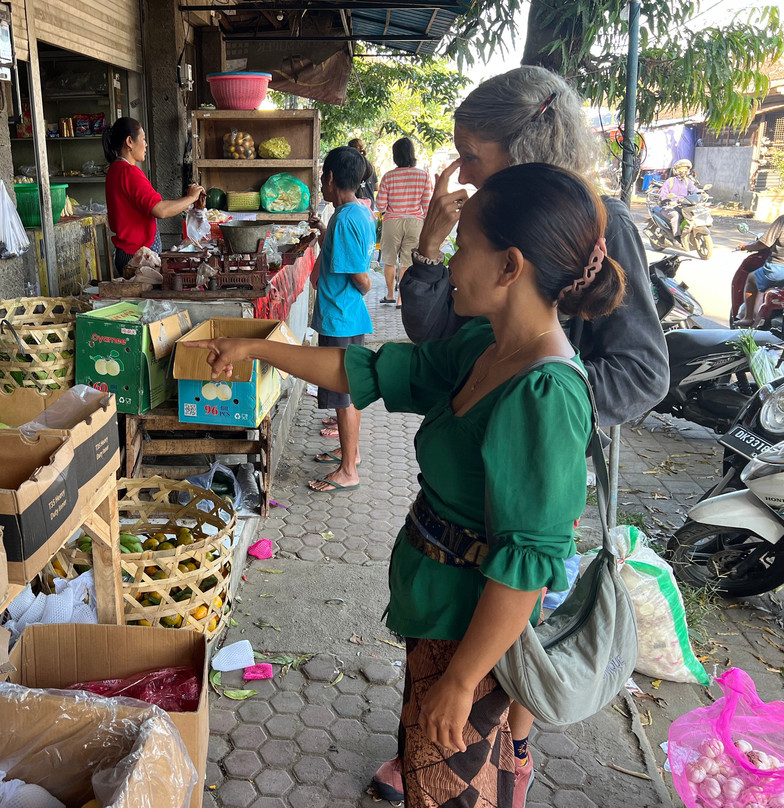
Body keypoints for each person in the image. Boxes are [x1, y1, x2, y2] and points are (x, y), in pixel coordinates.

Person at [191, 162, 626, 808]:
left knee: (449, 793)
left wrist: (463, 678)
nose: (451, 262)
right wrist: (259, 350)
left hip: (471, 639)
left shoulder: (545, 392)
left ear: (510, 267)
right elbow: (364, 368)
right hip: (439, 616)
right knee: (435, 776)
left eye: (464, 248)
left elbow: (529, 565)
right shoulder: (486, 342)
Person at [392, 65, 669, 806]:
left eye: (472, 157)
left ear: (525, 151)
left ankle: (487, 758)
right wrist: (431, 250)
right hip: (469, 490)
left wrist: (536, 404)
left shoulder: (603, 226)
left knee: (505, 640)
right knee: (472, 652)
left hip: (533, 489)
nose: (461, 176)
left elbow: (644, 372)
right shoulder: (488, 235)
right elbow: (433, 336)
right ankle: (460, 747)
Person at [307, 146, 374, 490]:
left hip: (341, 317)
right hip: (345, 316)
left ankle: (348, 470)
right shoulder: (355, 213)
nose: (321, 183)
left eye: (322, 176)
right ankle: (352, 454)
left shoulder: (345, 218)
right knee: (349, 391)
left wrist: (362, 287)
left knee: (344, 395)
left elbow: (360, 277)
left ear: (331, 178)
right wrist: (323, 232)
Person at [103, 117, 204, 273]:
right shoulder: (129, 172)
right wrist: (190, 198)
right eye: (143, 139)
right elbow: (160, 210)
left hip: (127, 253)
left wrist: (188, 202)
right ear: (130, 141)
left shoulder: (115, 169)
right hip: (136, 256)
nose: (146, 145)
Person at [375, 137, 434, 307]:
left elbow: (380, 206)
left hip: (392, 222)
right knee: (407, 263)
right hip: (415, 222)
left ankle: (389, 295)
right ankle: (401, 299)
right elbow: (427, 206)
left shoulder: (388, 177)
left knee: (389, 260)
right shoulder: (423, 176)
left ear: (395, 155)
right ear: (412, 154)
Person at [735, 214, 784, 326]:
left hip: (777, 270)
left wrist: (746, 246)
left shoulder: (782, 220)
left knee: (751, 278)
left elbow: (763, 243)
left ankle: (748, 317)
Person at [657, 159, 701, 238]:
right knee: (675, 216)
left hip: (683, 206)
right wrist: (667, 200)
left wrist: (702, 193)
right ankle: (676, 237)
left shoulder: (688, 181)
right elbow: (663, 194)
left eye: (686, 169)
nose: (683, 171)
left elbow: (694, 190)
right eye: (681, 169)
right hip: (669, 207)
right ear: (676, 170)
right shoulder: (670, 181)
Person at [349, 138, 377, 207]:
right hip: (370, 204)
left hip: (356, 204)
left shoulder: (351, 167)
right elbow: (376, 187)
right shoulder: (370, 166)